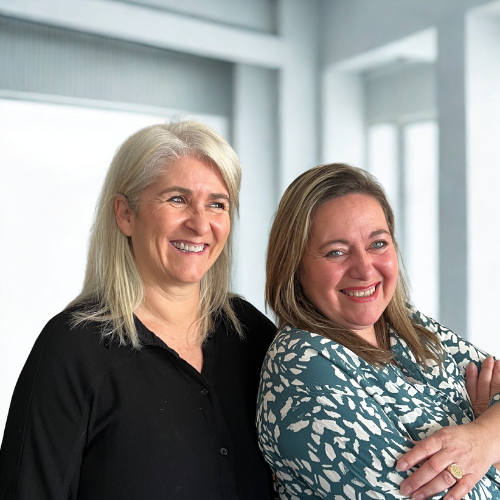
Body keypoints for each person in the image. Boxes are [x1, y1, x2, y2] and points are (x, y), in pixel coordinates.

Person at [0, 121, 276, 499]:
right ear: (125, 214)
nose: (200, 225)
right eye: (177, 199)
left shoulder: (252, 333)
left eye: (217, 204)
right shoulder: (72, 349)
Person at [257, 163, 500, 499]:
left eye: (378, 244)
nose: (364, 268)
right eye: (336, 252)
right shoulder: (302, 368)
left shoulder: (407, 327)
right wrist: (491, 443)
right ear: (295, 266)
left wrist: (483, 437)